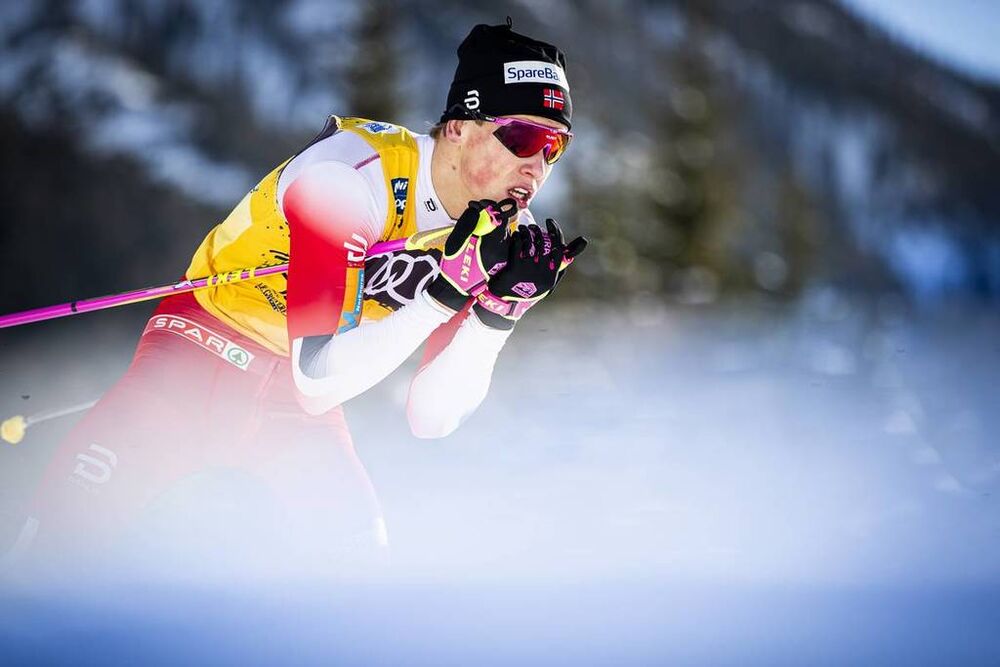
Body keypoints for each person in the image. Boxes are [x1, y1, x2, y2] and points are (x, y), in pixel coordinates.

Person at [11, 20, 585, 575]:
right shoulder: (351, 175)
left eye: (554, 147)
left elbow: (430, 418)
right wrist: (445, 293)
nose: (536, 166)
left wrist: (498, 314)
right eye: (523, 137)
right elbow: (319, 376)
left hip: (289, 408)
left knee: (360, 574)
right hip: (198, 355)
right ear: (458, 127)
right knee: (54, 558)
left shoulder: (501, 234)